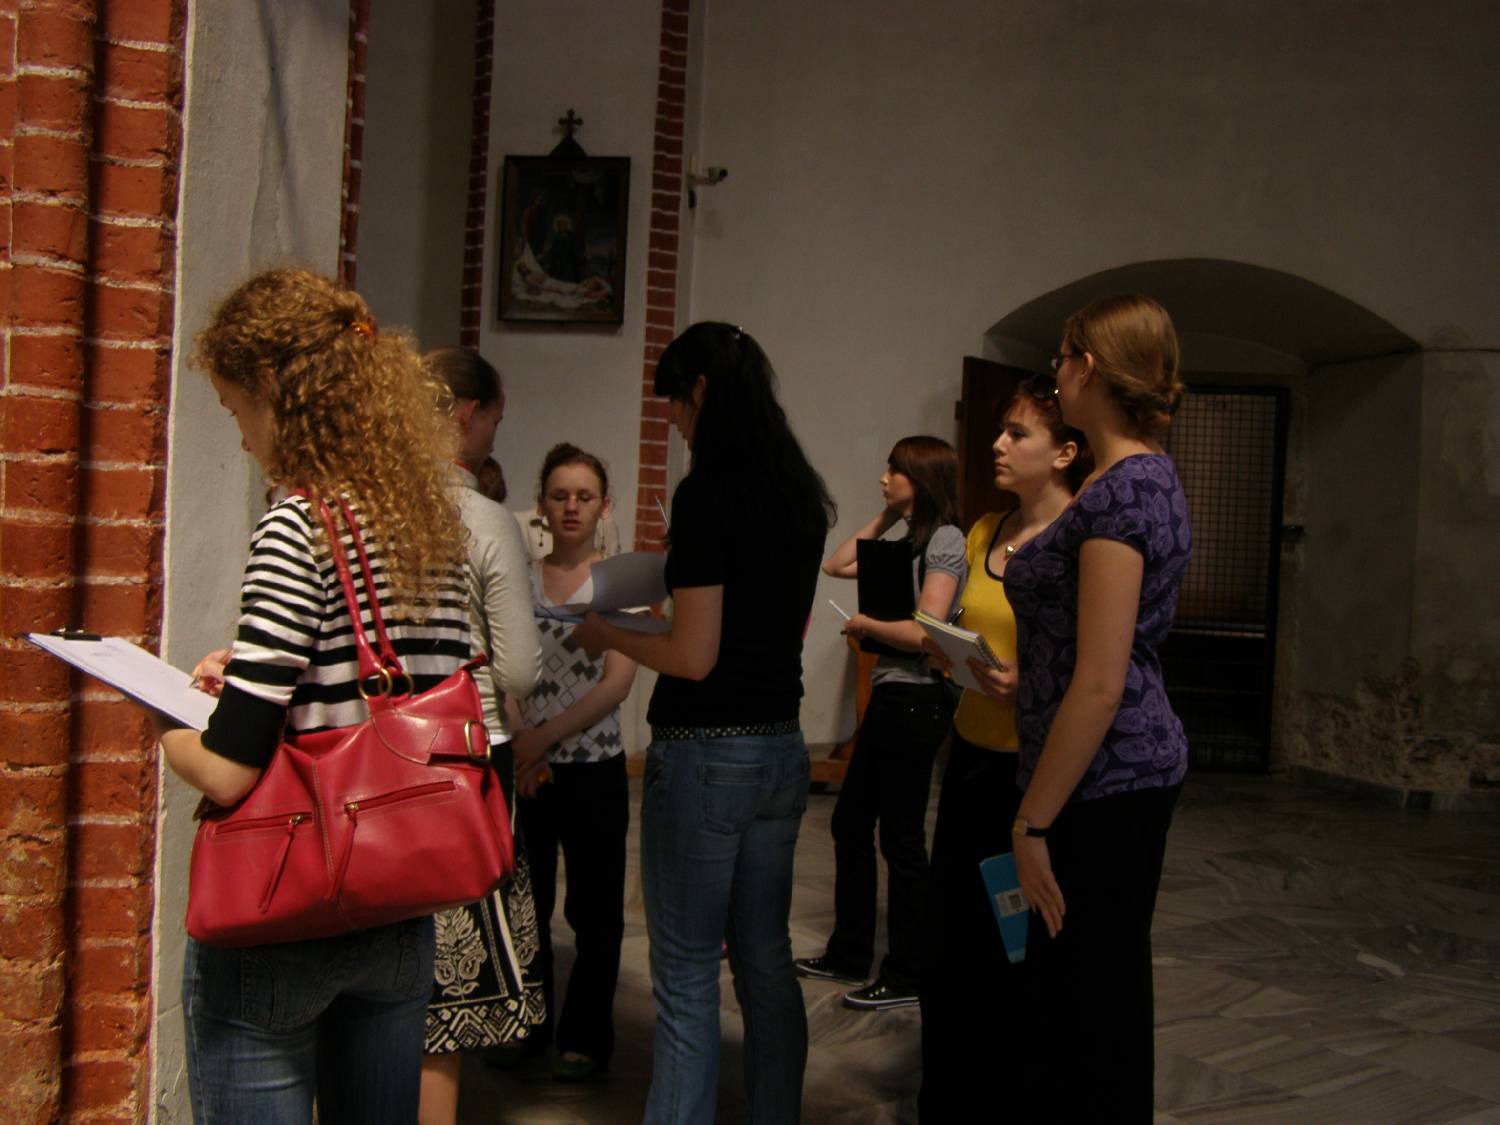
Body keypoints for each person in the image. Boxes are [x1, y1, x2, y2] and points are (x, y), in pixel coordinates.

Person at [153, 268, 471, 1122]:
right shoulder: (424, 523)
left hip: (285, 909)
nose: (243, 439)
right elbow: (391, 695)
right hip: (396, 904)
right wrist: (263, 672)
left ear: (274, 390)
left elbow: (227, 770)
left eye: (237, 412)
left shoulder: (299, 523)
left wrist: (163, 717)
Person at [572, 322, 836, 1125]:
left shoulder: (709, 492)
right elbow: (742, 628)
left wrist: (609, 632)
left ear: (703, 390)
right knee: (765, 962)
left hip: (706, 752)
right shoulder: (799, 492)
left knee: (686, 976)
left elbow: (693, 656)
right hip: (780, 747)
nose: (674, 422)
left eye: (676, 405)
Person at [1005, 294, 1191, 1119]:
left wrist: (1031, 823)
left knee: (1092, 1008)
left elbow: (1101, 680)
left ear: (1090, 367)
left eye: (1063, 356)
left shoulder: (1125, 490)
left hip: (1105, 781)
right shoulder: (1127, 477)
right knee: (1079, 998)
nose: (1057, 371)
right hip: (1099, 771)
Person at [916, 375, 1085, 1120]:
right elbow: (954, 623)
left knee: (1019, 945)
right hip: (971, 756)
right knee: (952, 941)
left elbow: (1100, 662)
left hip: (1037, 771)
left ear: (1065, 452)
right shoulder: (985, 530)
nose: (997, 445)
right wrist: (946, 649)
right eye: (999, 430)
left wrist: (1033, 682)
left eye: (1018, 434)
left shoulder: (1082, 538)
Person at [418, 347, 545, 1125]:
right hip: (464, 753)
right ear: (468, 413)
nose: (496, 432)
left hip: (371, 755)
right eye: (495, 416)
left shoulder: (359, 501)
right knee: (447, 987)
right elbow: (522, 669)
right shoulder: (483, 517)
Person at [794, 437, 965, 1010]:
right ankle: (849, 954)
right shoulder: (906, 538)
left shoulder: (945, 539)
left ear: (922, 476)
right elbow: (836, 564)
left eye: (895, 471)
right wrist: (888, 516)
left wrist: (867, 625)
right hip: (895, 698)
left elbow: (925, 630)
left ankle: (909, 971)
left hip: (917, 699)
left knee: (900, 837)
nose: (883, 478)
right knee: (850, 824)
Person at [508, 443, 637, 1082]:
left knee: (595, 911)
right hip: (527, 767)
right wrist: (520, 739)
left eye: (584, 497)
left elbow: (617, 683)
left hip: (594, 767)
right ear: (542, 505)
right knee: (525, 905)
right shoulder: (520, 578)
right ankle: (526, 1027)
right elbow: (504, 667)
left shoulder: (622, 583)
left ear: (604, 506)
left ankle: (585, 1036)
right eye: (559, 495)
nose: (571, 507)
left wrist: (543, 738)